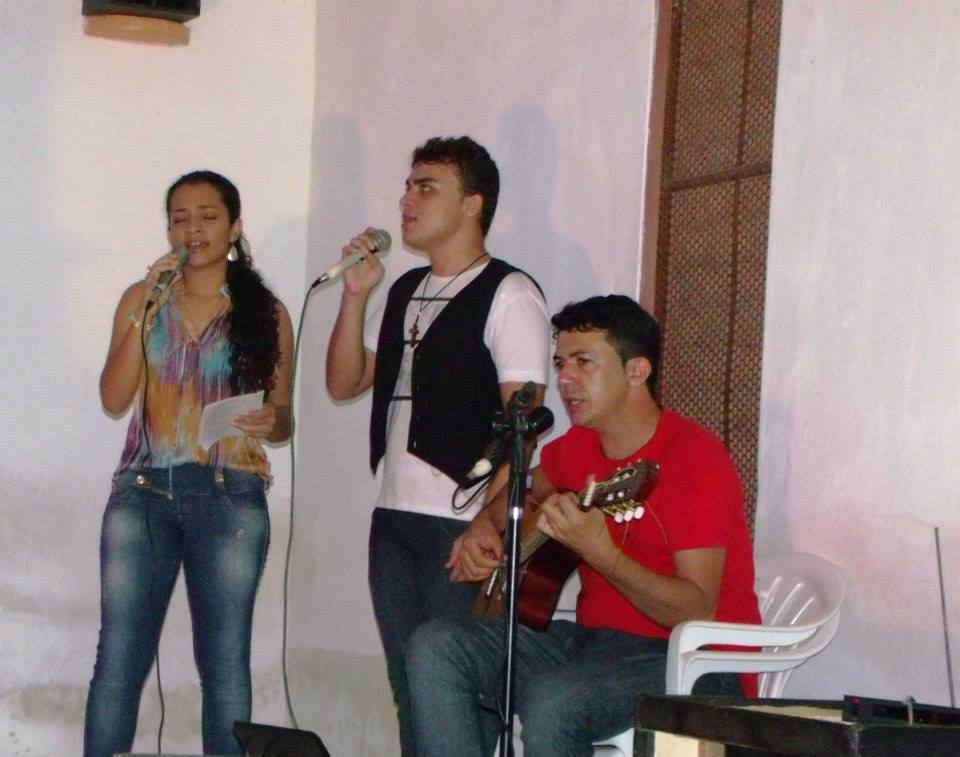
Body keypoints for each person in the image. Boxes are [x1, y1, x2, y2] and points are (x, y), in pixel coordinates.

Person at [407, 295, 761, 757]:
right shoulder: (580, 445)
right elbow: (521, 488)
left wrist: (599, 552)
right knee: (435, 645)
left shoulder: (694, 459)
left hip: (696, 661)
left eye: (583, 362)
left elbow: (693, 610)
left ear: (637, 371)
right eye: (560, 363)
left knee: (554, 699)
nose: (564, 379)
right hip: (593, 646)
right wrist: (483, 525)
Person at [325, 136, 550, 756]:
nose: (407, 200)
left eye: (426, 187)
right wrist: (355, 296)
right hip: (393, 518)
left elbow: (524, 428)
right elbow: (344, 382)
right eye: (407, 186)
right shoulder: (405, 289)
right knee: (409, 690)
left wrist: (487, 522)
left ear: (473, 204)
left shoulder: (509, 293)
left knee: (457, 695)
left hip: (456, 525)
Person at [84, 170, 294, 757]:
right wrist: (145, 310)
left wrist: (270, 422)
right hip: (142, 492)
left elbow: (283, 416)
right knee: (119, 658)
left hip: (231, 496)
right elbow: (113, 398)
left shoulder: (266, 312)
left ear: (234, 226)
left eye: (207, 216)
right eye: (179, 218)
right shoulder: (142, 299)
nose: (192, 229)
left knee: (224, 664)